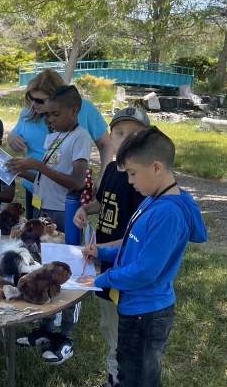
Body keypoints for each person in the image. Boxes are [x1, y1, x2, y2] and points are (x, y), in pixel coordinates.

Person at [77, 126, 208, 387]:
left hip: (146, 314)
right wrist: (103, 251)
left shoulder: (167, 214)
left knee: (139, 378)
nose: (130, 182)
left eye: (133, 173)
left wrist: (101, 279)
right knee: (131, 372)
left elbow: (145, 271)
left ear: (157, 167)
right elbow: (133, 246)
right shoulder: (153, 198)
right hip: (135, 308)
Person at [5, 85, 92, 365]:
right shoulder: (55, 136)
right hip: (46, 211)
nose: (50, 119)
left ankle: (64, 336)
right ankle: (46, 328)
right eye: (48, 115)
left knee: (64, 273)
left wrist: (38, 167)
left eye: (55, 114)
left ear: (73, 111)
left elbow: (77, 182)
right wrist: (23, 169)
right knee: (44, 270)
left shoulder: (80, 137)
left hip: (65, 214)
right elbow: (49, 176)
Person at [72, 107, 151, 387]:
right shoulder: (111, 170)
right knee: (108, 325)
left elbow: (140, 235)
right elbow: (103, 202)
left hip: (124, 264)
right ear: (111, 138)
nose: (125, 138)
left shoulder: (141, 181)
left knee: (122, 330)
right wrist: (85, 208)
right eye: (119, 133)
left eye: (134, 133)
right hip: (105, 260)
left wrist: (104, 249)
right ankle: (113, 376)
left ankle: (122, 379)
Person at [7, 69, 112, 219]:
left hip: (63, 199)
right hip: (37, 191)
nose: (34, 104)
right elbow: (18, 132)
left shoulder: (81, 124)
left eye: (41, 100)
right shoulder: (40, 120)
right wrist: (12, 139)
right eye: (31, 98)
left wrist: (103, 176)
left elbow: (105, 144)